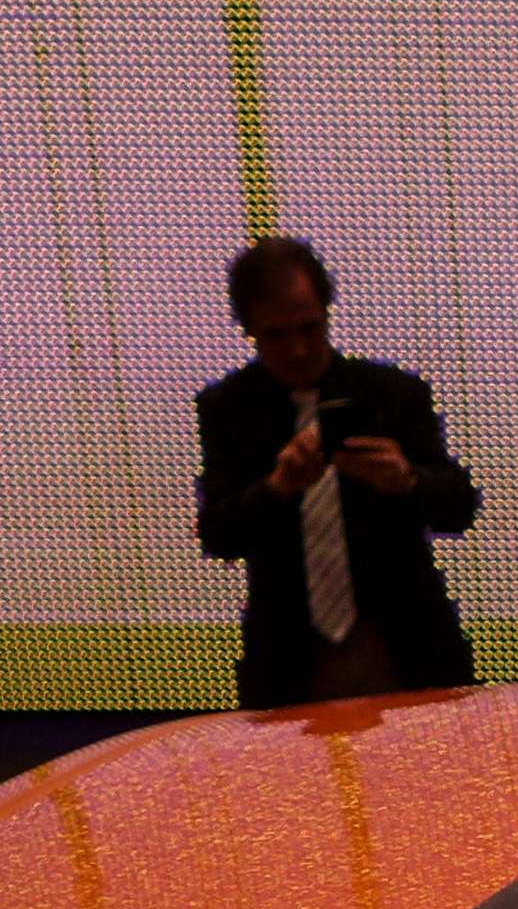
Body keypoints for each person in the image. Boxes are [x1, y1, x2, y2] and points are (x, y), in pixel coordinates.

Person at [195, 236, 482, 708]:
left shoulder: (393, 395)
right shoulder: (230, 409)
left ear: (327, 313)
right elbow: (218, 535)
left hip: (407, 650)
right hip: (289, 662)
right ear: (248, 330)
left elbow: (460, 506)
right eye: (277, 335)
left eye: (310, 327)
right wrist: (276, 489)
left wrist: (407, 481)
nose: (299, 349)